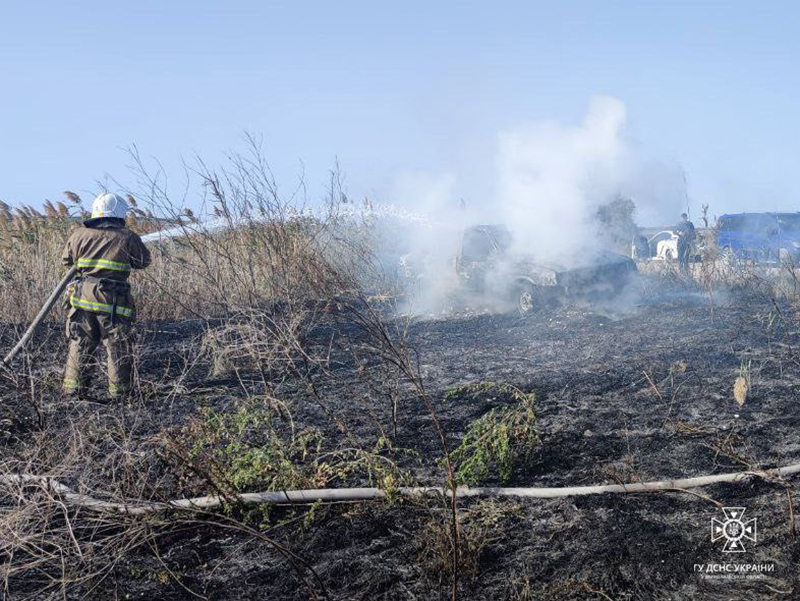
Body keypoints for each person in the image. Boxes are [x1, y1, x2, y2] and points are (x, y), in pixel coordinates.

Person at [61, 193, 151, 400]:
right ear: (120, 214)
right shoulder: (127, 237)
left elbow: (67, 261)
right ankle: (121, 395)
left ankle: (73, 393)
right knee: (117, 344)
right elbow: (143, 261)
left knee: (80, 342)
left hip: (81, 300)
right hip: (112, 302)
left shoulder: (79, 235)